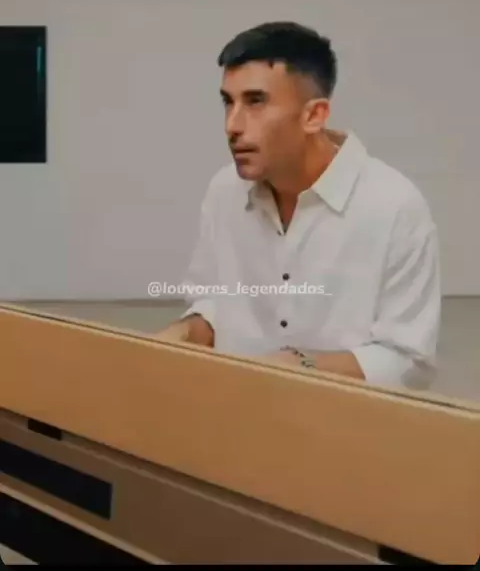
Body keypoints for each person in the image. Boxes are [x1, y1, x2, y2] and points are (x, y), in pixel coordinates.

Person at [159, 21, 441, 388]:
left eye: (255, 102)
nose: (232, 125)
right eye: (228, 102)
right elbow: (215, 300)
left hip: (341, 419)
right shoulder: (224, 190)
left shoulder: (395, 207)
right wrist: (185, 332)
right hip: (232, 409)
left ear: (314, 115)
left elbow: (409, 361)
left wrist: (300, 367)